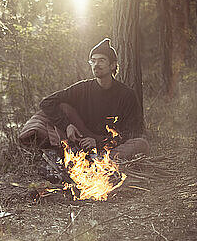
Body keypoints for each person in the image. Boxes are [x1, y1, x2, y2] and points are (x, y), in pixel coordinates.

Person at [19, 38, 150, 159]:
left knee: (141, 144)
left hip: (110, 144)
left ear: (112, 65)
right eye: (93, 60)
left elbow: (130, 133)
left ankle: (100, 159)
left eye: (101, 60)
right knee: (63, 107)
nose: (96, 64)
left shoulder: (127, 95)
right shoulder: (82, 88)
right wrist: (67, 126)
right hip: (82, 139)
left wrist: (99, 143)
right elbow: (46, 103)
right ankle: (78, 157)